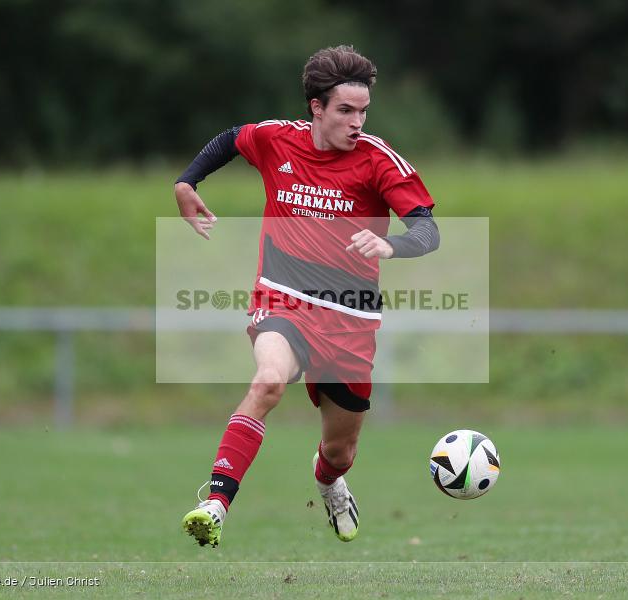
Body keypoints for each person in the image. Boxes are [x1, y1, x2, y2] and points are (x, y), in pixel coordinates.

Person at [174, 45, 439, 547]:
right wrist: (187, 181)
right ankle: (215, 504)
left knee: (340, 450)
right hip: (283, 299)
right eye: (345, 110)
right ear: (316, 108)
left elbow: (428, 232)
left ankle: (328, 481)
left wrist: (392, 244)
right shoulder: (278, 140)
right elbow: (231, 140)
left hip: (349, 321)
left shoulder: (379, 162)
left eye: (363, 111)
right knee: (269, 381)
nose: (357, 121)